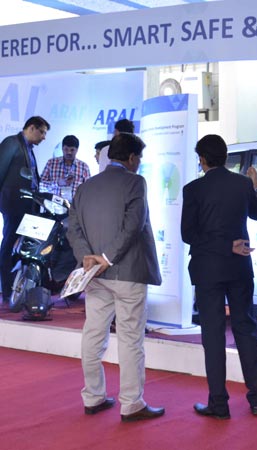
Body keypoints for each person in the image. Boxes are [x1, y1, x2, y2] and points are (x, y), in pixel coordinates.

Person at [67, 132, 165, 422]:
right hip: (127, 273)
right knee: (130, 338)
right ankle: (131, 404)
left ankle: (93, 397)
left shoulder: (86, 186)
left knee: (93, 334)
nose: (139, 163)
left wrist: (88, 257)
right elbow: (134, 225)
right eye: (139, 158)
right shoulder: (135, 182)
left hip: (94, 275)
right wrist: (107, 258)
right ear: (132, 158)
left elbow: (73, 228)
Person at [181, 134, 257, 420]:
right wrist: (255, 185)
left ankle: (219, 403)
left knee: (213, 335)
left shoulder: (193, 189)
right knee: (246, 329)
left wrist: (222, 245)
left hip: (207, 270)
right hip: (239, 268)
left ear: (202, 159)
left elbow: (188, 235)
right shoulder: (243, 184)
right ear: (226, 157)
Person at [0, 116, 50, 302]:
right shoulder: (12, 143)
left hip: (28, 207)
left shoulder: (28, 148)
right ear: (31, 128)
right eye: (42, 132)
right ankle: (7, 289)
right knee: (8, 247)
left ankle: (19, 289)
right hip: (13, 206)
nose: (44, 137)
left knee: (24, 249)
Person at [40, 135, 91, 201]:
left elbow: (88, 190)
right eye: (66, 149)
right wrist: (57, 183)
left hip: (75, 205)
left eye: (72, 150)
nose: (69, 152)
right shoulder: (51, 163)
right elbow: (41, 185)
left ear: (77, 150)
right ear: (62, 148)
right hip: (53, 204)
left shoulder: (84, 167)